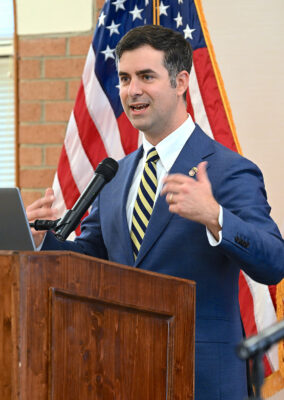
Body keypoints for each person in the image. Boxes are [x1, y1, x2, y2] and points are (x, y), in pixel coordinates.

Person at [27, 25, 284, 400]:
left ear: (181, 81)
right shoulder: (114, 175)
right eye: (125, 78)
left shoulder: (229, 169)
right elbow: (92, 258)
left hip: (202, 381)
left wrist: (215, 216)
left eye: (147, 76)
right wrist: (40, 241)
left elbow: (274, 260)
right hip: (120, 376)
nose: (133, 91)